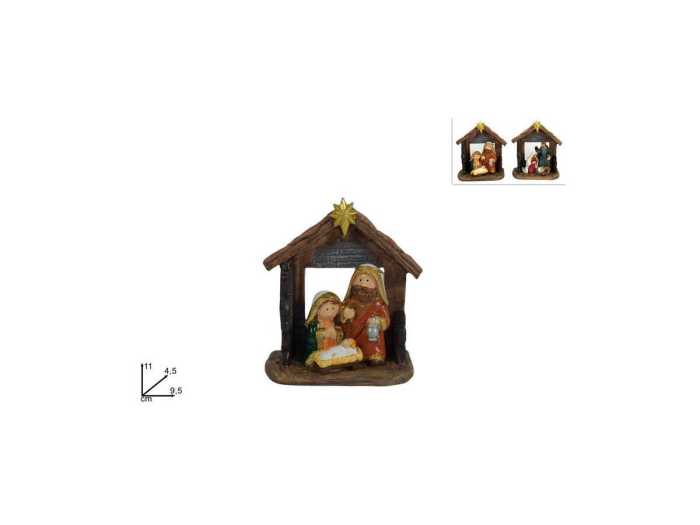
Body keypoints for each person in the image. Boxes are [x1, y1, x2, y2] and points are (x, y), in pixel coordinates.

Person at [341, 264, 391, 364]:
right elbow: (339, 314)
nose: (363, 284)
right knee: (349, 347)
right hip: (352, 337)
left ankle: (374, 355)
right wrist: (344, 314)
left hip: (370, 338)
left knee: (373, 339)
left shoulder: (378, 304)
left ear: (377, 285)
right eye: (360, 280)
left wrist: (378, 321)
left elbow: (386, 320)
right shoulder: (350, 302)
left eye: (367, 280)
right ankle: (351, 356)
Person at [304, 291, 362, 369]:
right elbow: (310, 342)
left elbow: (341, 336)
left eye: (333, 308)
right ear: (317, 310)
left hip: (334, 352)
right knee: (322, 358)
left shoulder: (336, 323)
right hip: (320, 353)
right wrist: (323, 334)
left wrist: (343, 340)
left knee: (352, 351)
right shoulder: (315, 326)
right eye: (327, 309)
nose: (331, 312)